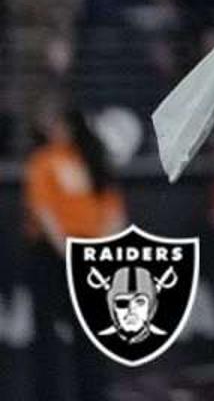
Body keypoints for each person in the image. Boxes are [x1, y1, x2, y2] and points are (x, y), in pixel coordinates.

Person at [22, 104, 125, 401]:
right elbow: (43, 210)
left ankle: (94, 392)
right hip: (53, 256)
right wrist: (67, 251)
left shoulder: (92, 161)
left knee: (91, 332)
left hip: (89, 256)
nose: (56, 131)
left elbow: (112, 210)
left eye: (61, 124)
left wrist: (101, 250)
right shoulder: (43, 161)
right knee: (47, 332)